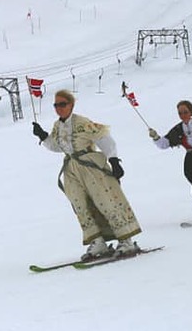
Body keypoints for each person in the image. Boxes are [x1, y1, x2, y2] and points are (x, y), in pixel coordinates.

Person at [32, 89, 142, 260]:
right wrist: (44, 136)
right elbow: (58, 146)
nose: (59, 108)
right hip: (71, 169)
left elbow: (103, 138)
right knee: (80, 205)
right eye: (56, 105)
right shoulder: (57, 126)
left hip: (90, 166)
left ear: (71, 105)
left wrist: (113, 160)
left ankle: (125, 239)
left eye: (62, 104)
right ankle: (97, 241)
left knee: (105, 201)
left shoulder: (82, 122)